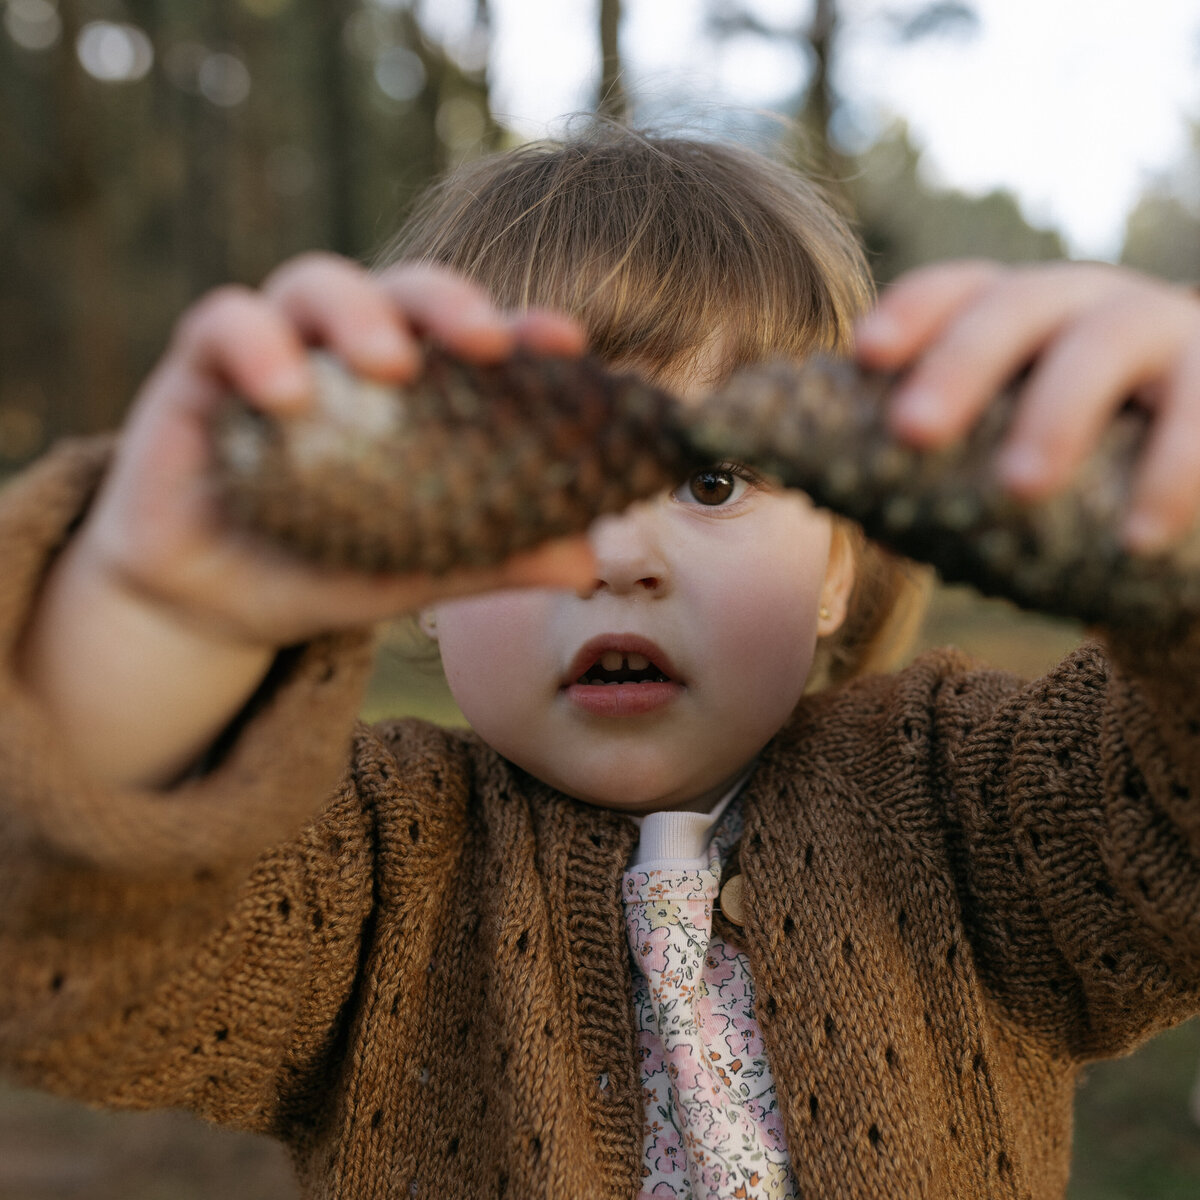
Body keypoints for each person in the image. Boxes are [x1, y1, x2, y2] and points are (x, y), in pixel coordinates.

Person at [3, 125, 1200, 1200]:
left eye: (712, 482)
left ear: (842, 566)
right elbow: (74, 939)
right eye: (540, 488)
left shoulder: (967, 810)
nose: (619, 555)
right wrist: (163, 617)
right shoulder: (371, 880)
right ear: (415, 571)